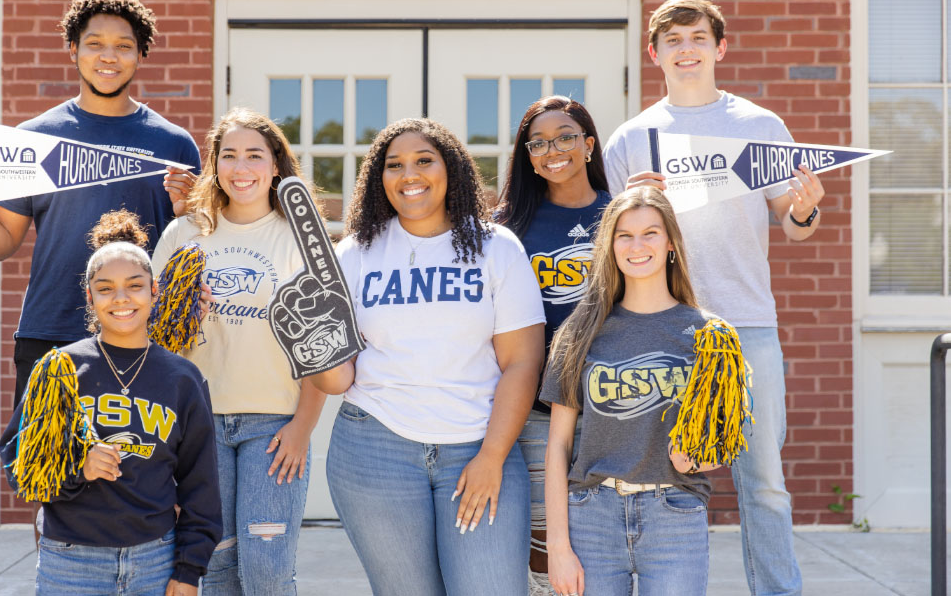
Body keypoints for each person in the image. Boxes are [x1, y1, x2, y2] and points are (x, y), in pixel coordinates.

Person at [602, 0, 825, 596]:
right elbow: (614, 239)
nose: (686, 49)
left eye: (697, 37)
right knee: (662, 477)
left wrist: (805, 210)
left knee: (764, 482)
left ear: (719, 47)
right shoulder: (631, 137)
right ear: (655, 53)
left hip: (747, 325)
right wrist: (630, 199)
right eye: (673, 40)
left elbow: (790, 220)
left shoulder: (760, 126)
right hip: (661, 327)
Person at [307, 118, 545, 595]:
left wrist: (492, 456)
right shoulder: (355, 254)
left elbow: (522, 363)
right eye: (394, 165)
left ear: (450, 169)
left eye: (423, 161)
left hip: (477, 446)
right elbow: (336, 382)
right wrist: (312, 341)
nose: (408, 174)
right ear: (380, 179)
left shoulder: (496, 248)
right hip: (374, 449)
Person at [0, 0, 202, 407]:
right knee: (41, 470)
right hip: (50, 334)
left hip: (141, 337)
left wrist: (187, 212)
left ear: (140, 54)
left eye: (123, 47)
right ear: (74, 49)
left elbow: (195, 249)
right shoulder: (34, 137)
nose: (108, 57)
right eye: (95, 45)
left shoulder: (176, 144)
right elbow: (4, 237)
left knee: (131, 472)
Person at [0, 210, 222, 596]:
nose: (121, 299)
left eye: (135, 286)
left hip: (155, 560)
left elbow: (201, 488)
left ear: (154, 292)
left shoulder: (182, 380)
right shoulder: (60, 369)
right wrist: (77, 468)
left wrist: (188, 571)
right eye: (106, 288)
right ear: (90, 296)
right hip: (71, 562)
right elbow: (20, 468)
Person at [151, 108, 327, 595]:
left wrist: (302, 428)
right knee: (216, 564)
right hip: (199, 423)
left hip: (275, 425)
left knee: (267, 568)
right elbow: (156, 342)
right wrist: (181, 317)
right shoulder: (184, 235)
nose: (241, 167)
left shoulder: (301, 240)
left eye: (255, 155)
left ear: (276, 167)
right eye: (229, 155)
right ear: (214, 165)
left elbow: (322, 346)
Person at [542, 187, 723, 596]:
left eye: (650, 233)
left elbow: (726, 438)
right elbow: (558, 445)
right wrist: (558, 546)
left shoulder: (708, 334)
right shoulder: (581, 331)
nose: (637, 245)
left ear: (671, 243)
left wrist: (701, 458)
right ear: (609, 245)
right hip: (591, 517)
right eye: (624, 235)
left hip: (675, 514)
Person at [493, 96, 612, 595]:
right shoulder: (506, 226)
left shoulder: (621, 214)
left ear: (587, 145)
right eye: (537, 143)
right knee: (546, 535)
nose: (552, 150)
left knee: (606, 534)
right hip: (539, 406)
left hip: (615, 402)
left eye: (565, 137)